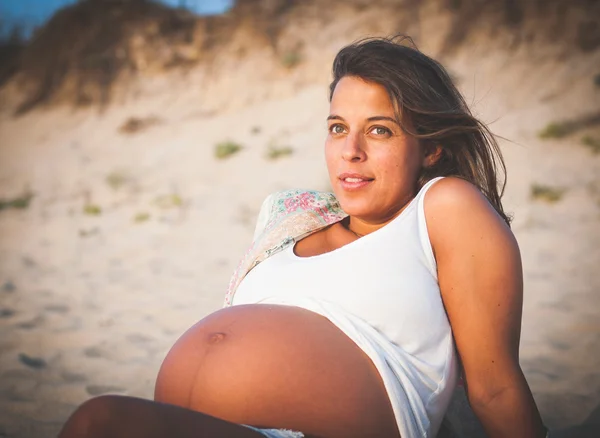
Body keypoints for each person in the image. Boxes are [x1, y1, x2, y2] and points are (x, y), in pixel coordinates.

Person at [57, 36, 547, 438]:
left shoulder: (442, 207)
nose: (349, 151)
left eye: (378, 131)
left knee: (99, 423)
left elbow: (495, 388)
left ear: (432, 149)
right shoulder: (288, 218)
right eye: (338, 128)